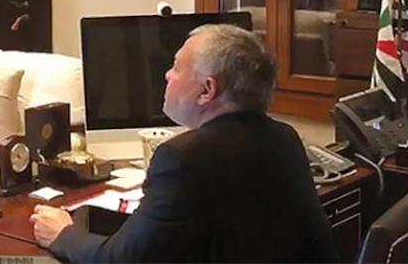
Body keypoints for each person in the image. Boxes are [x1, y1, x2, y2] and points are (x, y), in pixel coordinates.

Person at [30, 24, 338, 262]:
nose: (167, 75)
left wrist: (63, 234)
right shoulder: (284, 137)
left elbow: (120, 260)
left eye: (176, 67)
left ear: (207, 90)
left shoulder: (184, 159)